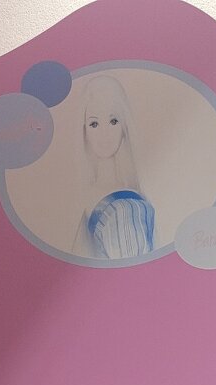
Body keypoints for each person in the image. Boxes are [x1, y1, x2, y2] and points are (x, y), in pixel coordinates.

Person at [71, 74, 155, 260]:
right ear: (84, 130)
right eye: (94, 124)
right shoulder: (89, 195)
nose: (104, 133)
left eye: (113, 121)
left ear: (124, 126)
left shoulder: (125, 208)